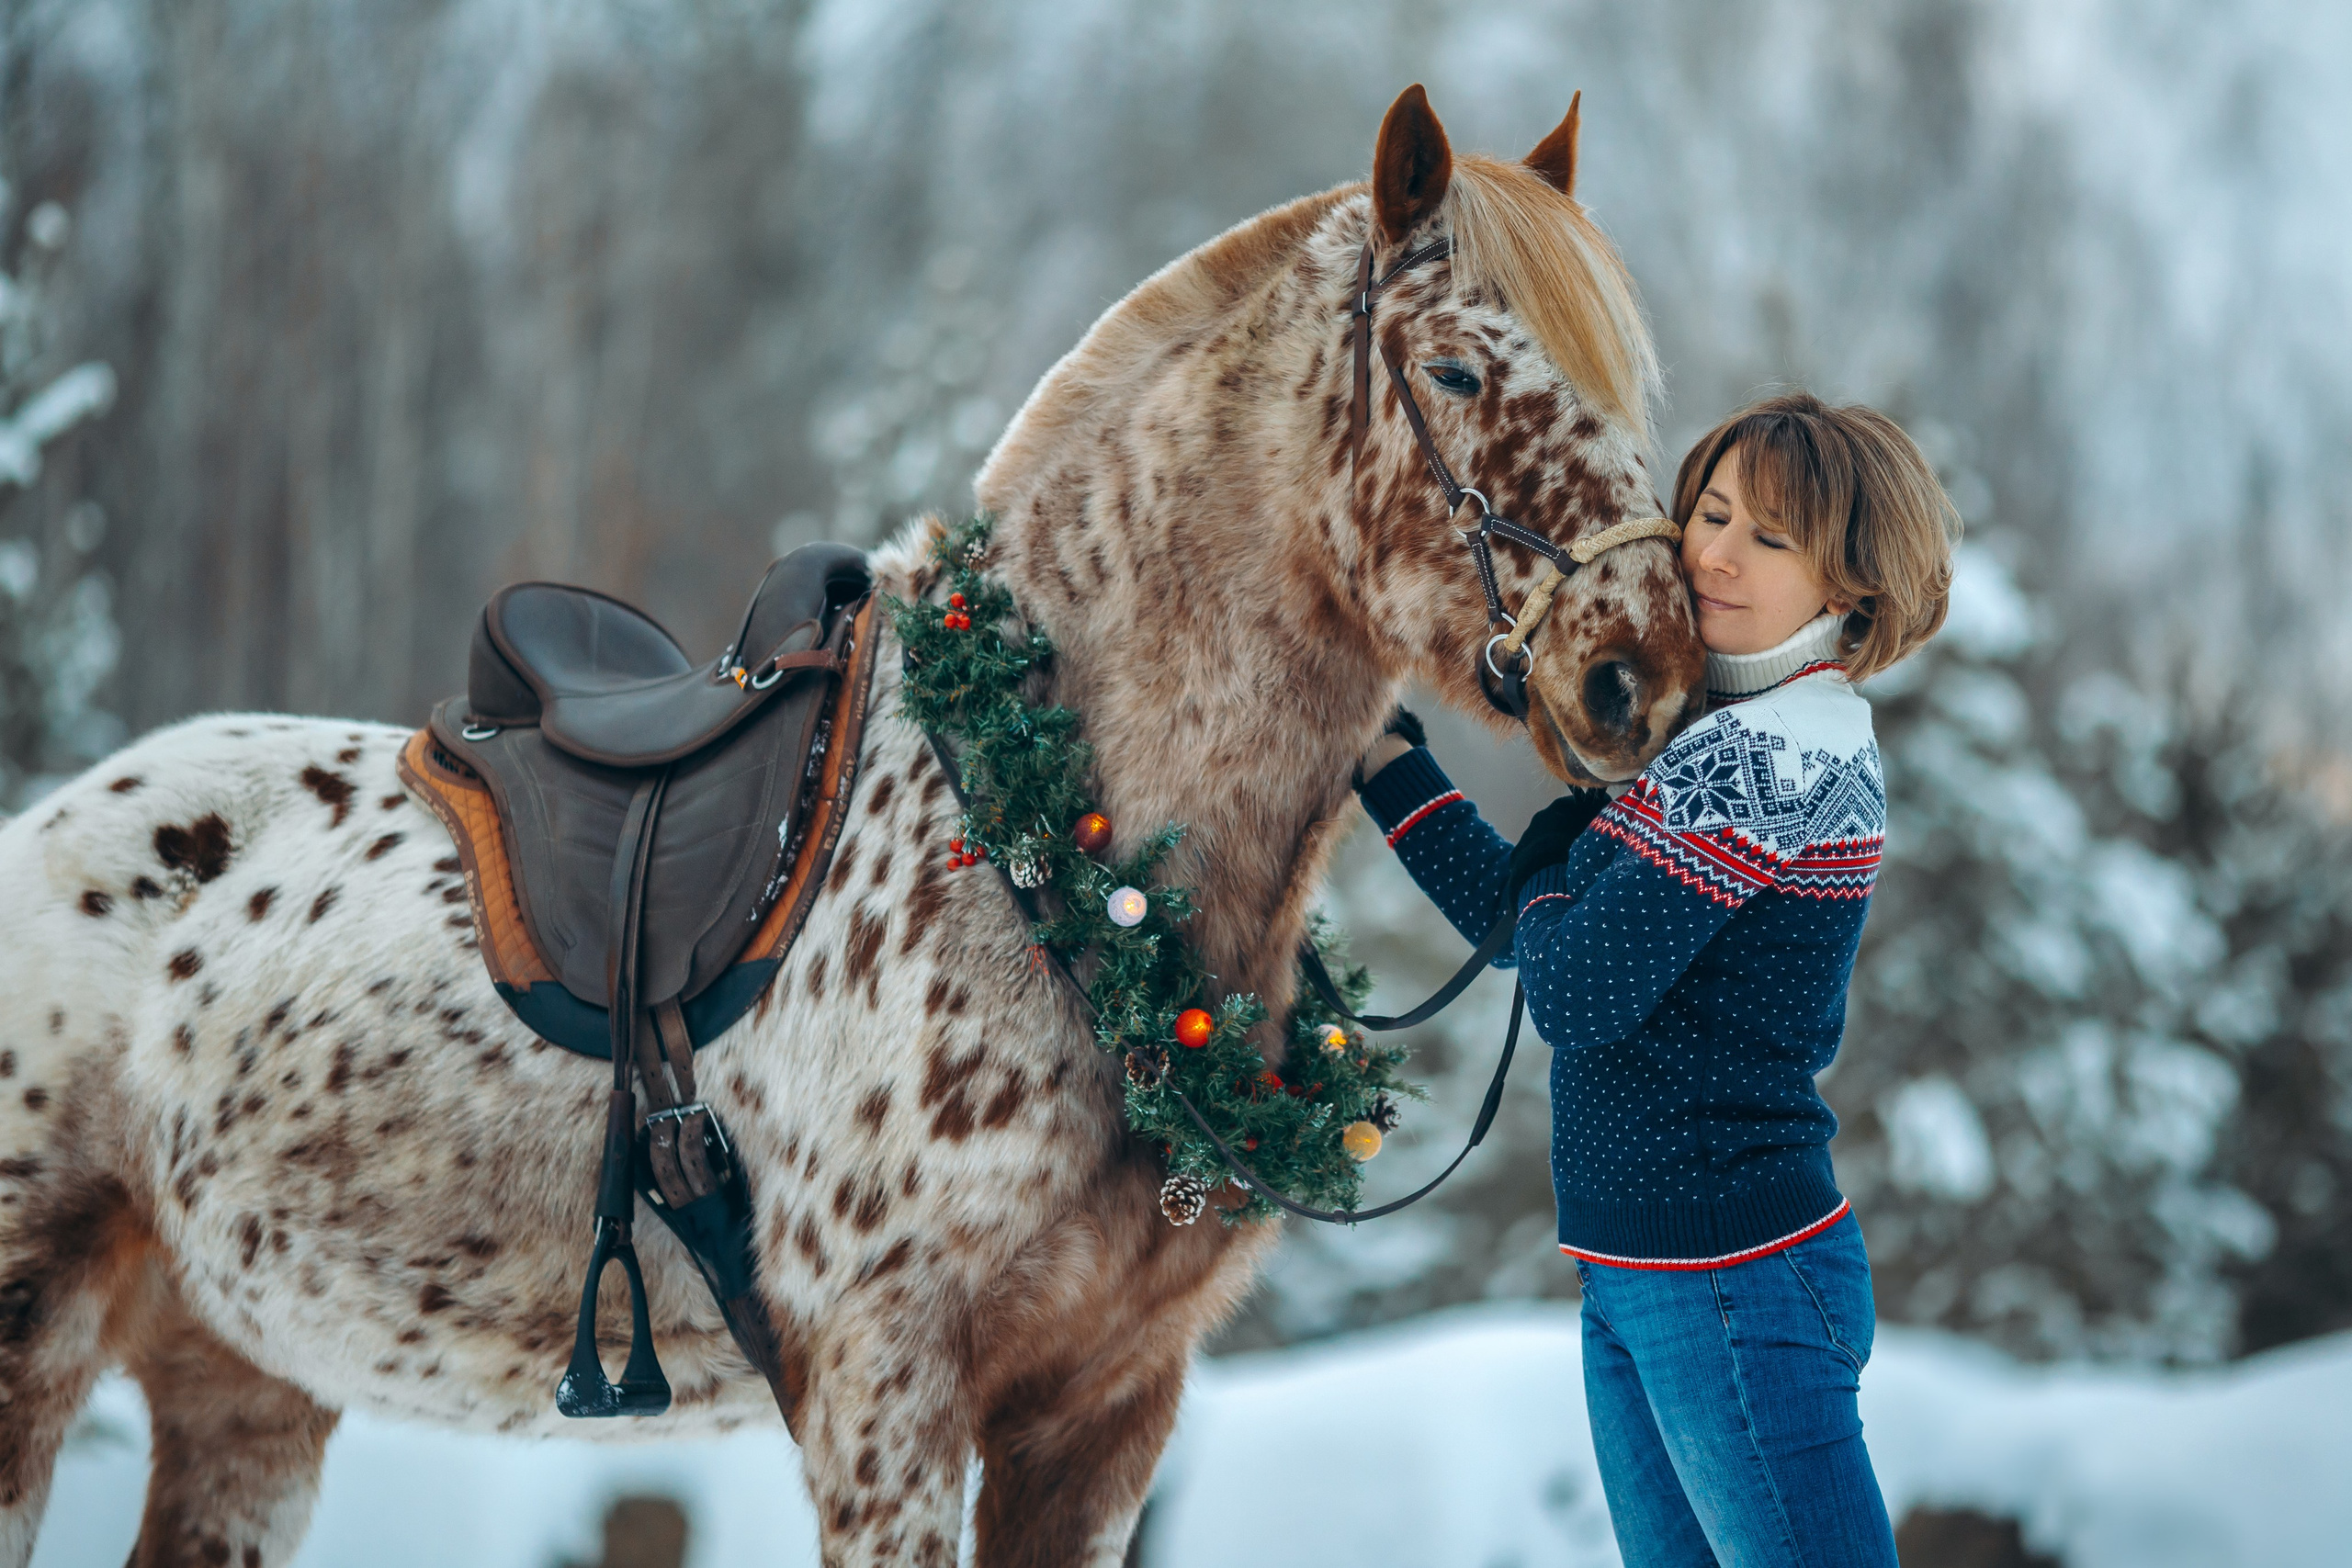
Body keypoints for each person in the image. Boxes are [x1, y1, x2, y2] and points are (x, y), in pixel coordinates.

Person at [1356, 391, 1958, 1567]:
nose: (1716, 554)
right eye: (1711, 512)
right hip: (1645, 1269)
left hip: (1732, 1281)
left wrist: (1554, 874)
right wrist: (1382, 763)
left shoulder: (1779, 753)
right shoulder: (1718, 734)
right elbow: (1539, 937)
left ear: (1848, 588)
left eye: (1769, 539)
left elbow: (1574, 989)